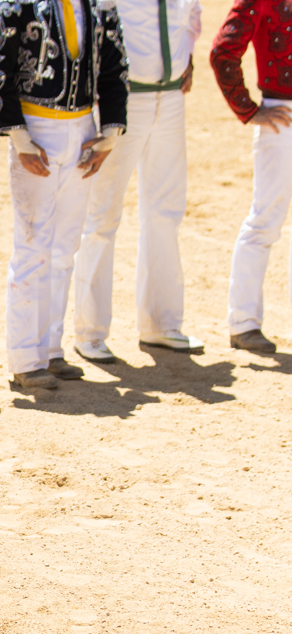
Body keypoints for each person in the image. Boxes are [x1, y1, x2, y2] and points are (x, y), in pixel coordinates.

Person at [0, 0, 129, 389]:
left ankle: (50, 349)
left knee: (64, 247)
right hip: (36, 127)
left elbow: (115, 67)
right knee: (33, 246)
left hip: (83, 128)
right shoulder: (18, 5)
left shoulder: (100, 5)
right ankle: (25, 357)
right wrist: (19, 137)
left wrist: (110, 133)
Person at [73, 1, 203, 364]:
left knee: (166, 210)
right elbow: (91, 23)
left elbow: (190, 14)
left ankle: (161, 323)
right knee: (102, 215)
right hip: (122, 99)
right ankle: (90, 331)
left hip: (172, 97)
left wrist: (186, 55)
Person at [211, 0, 292, 354]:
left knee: (265, 219)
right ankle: (243, 323)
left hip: (281, 112)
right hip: (282, 113)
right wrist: (248, 109)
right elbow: (222, 51)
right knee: (265, 219)